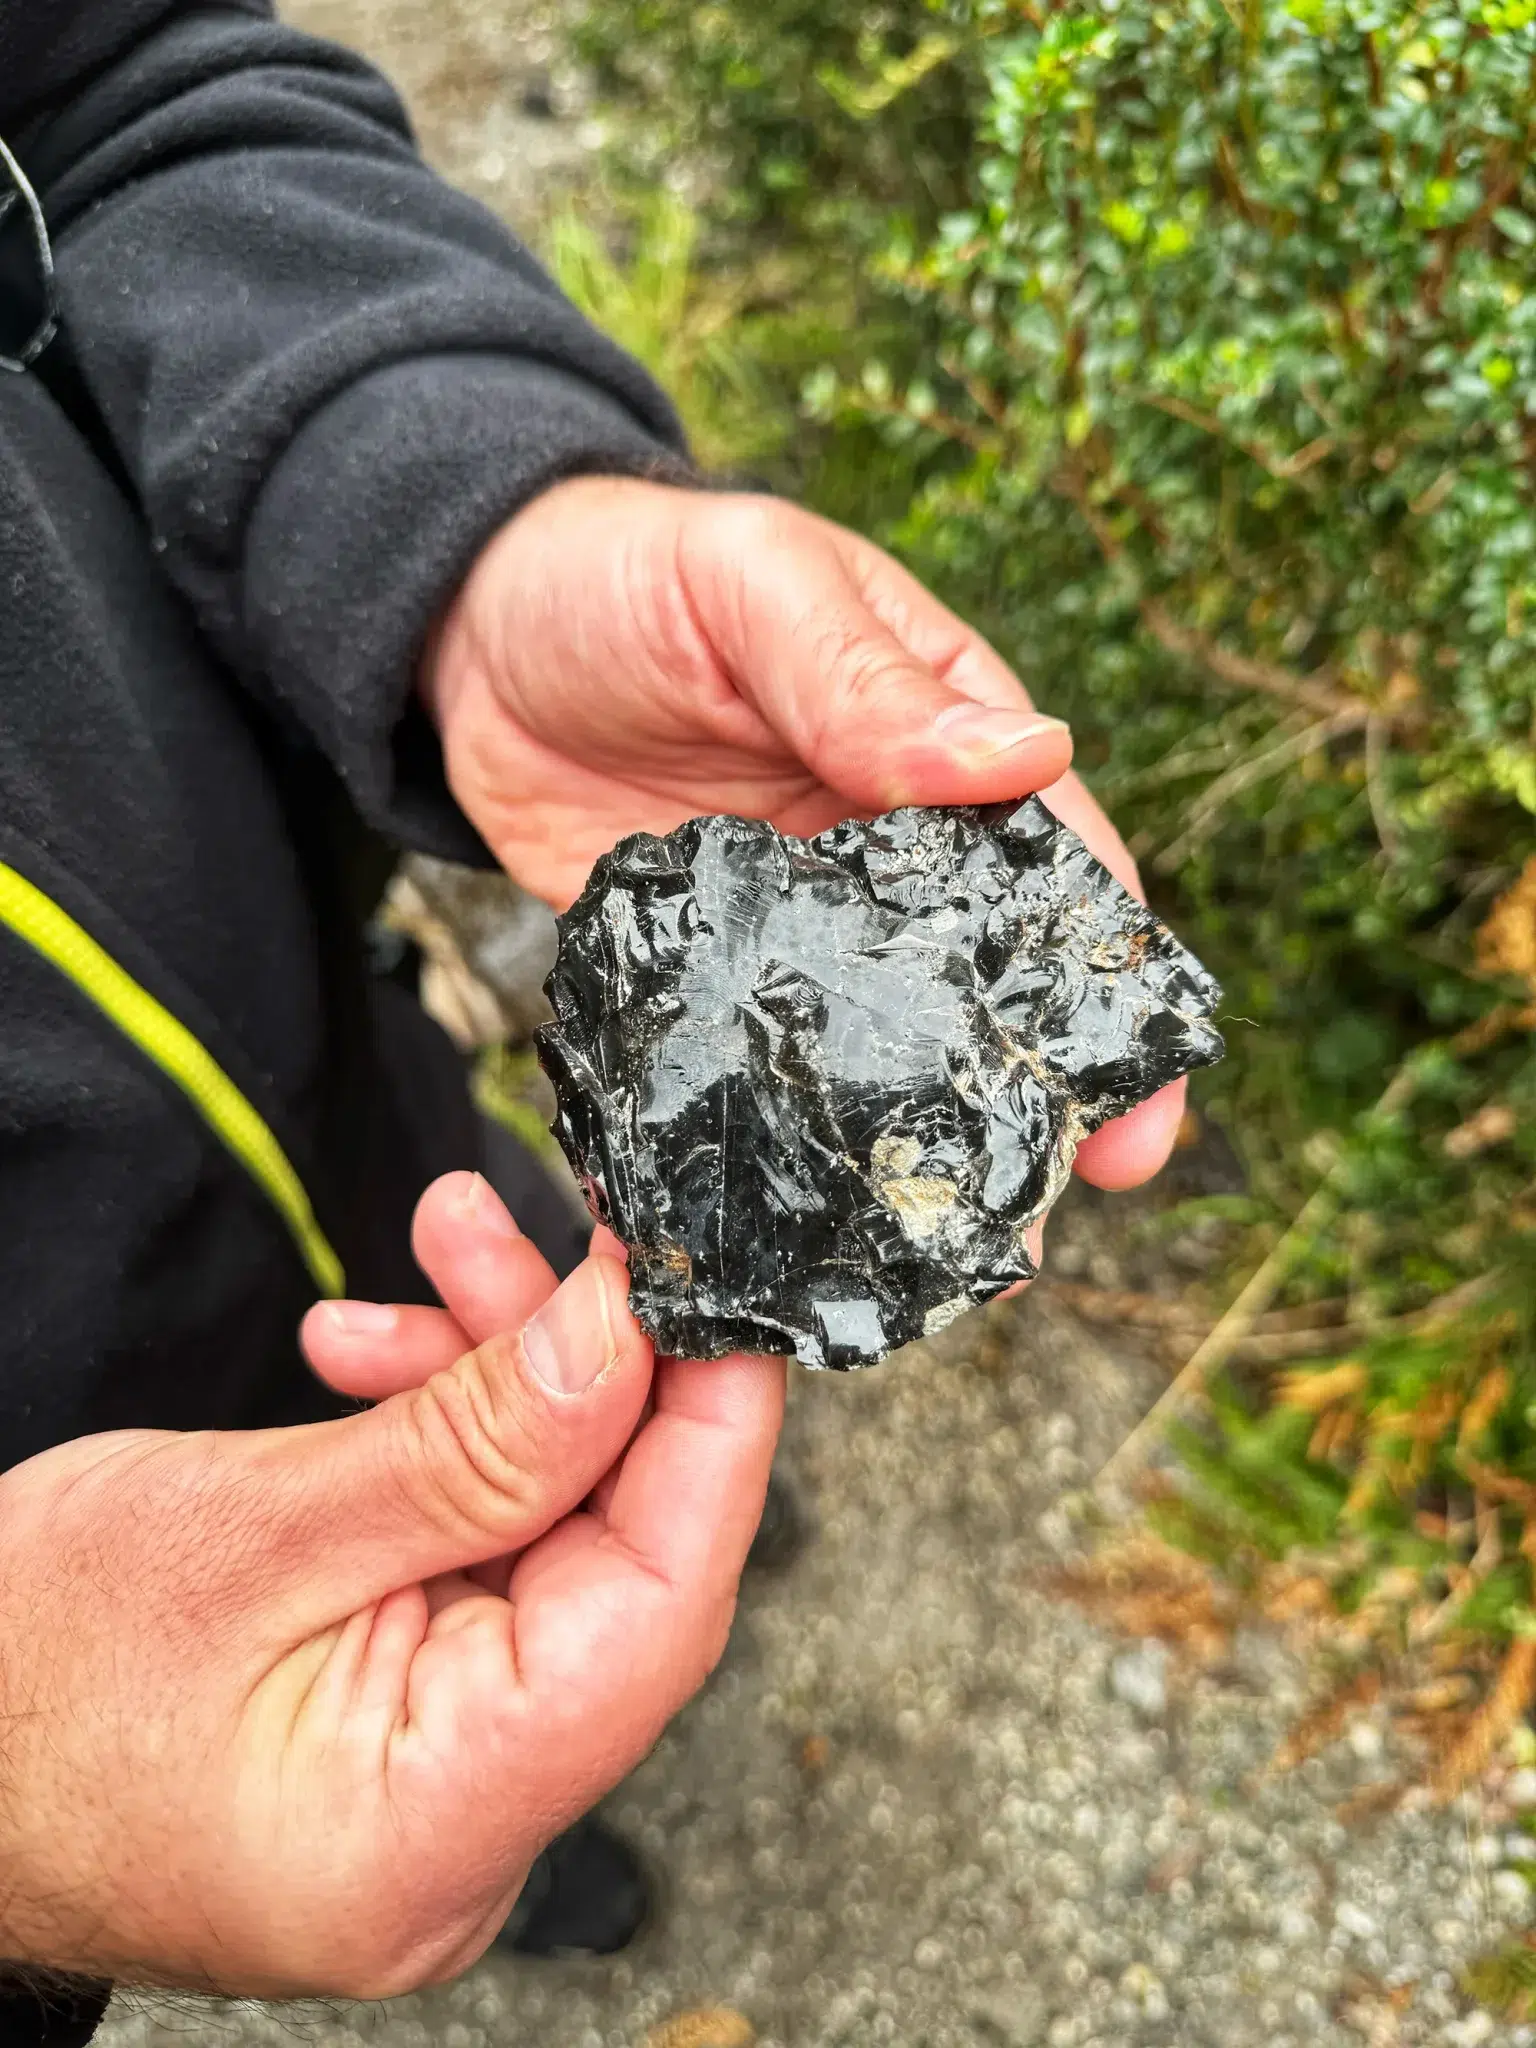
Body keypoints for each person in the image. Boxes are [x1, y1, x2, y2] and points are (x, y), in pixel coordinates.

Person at [0, 4, 1187, 2043]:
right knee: (494, 1633)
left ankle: (636, 1623)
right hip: (66, 1582)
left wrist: (457, 520)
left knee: (569, 1333)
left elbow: (112, 91)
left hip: (361, 1089)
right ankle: (546, 1839)